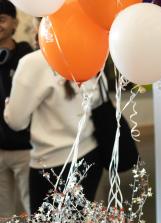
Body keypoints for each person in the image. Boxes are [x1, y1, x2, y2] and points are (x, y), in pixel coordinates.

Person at [4, 18, 102, 213]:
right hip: (90, 155)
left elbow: (16, 121)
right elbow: (97, 100)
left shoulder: (33, 62)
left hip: (50, 165)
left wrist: (9, 105)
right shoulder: (91, 52)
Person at [0, 0, 32, 217]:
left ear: (15, 23)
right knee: (2, 214)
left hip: (25, 148)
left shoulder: (26, 57)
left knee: (34, 208)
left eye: (1, 19)